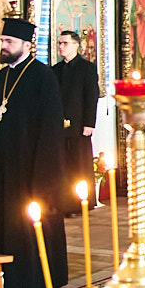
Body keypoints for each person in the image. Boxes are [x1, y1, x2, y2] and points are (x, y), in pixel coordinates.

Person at [0, 18, 68, 288]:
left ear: (26, 45)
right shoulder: (0, 78)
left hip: (31, 170)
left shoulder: (42, 77)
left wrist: (44, 177)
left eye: (9, 42)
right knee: (4, 224)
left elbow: (50, 130)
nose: (3, 46)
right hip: (2, 170)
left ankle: (33, 282)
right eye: (2, 41)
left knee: (29, 227)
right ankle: (4, 281)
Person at [52, 31, 98, 214]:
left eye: (65, 43)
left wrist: (89, 123)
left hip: (80, 125)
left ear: (76, 45)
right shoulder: (55, 70)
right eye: (60, 43)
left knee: (79, 165)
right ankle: (63, 202)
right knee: (62, 165)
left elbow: (91, 96)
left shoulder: (86, 68)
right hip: (58, 126)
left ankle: (81, 202)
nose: (61, 46)